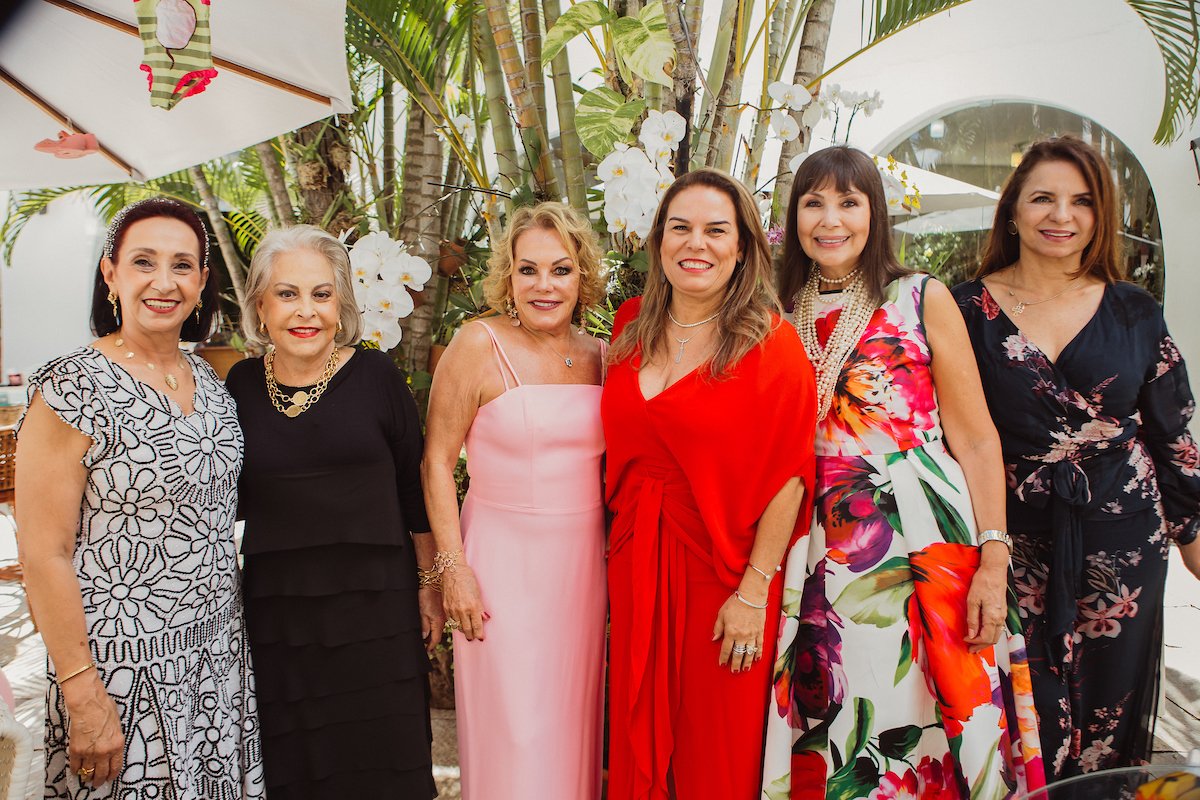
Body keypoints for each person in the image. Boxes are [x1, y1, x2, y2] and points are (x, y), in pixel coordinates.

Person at [762, 146, 1044, 798]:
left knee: (928, 718)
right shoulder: (776, 311)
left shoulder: (920, 296)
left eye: (848, 202)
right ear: (795, 215)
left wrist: (994, 560)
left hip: (922, 540)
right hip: (815, 552)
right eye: (814, 202)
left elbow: (975, 437)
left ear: (874, 212)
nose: (830, 219)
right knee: (845, 723)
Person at [953, 136, 1200, 780]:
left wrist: (1193, 539)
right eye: (1043, 198)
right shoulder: (962, 310)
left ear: (1099, 216)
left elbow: (1175, 437)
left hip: (1125, 543)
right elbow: (941, 432)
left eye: (1081, 202)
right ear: (1012, 210)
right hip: (1009, 543)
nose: (1061, 215)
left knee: (1108, 715)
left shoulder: (1134, 310)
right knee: (1021, 710)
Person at [15, 197, 264, 798]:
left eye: (182, 265)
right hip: (119, 667)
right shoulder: (72, 387)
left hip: (216, 657)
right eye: (144, 262)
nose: (163, 281)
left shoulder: (210, 379)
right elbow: (43, 553)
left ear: (203, 282)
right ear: (111, 274)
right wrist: (82, 692)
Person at [603, 168, 816, 800]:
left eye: (716, 230)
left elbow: (790, 479)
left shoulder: (771, 345)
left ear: (744, 247)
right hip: (635, 559)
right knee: (634, 734)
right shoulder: (630, 325)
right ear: (659, 242)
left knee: (713, 754)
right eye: (681, 228)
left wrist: (753, 594)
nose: (696, 244)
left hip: (723, 576)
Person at [225, 225, 441, 799]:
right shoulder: (239, 386)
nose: (306, 311)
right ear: (260, 306)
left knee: (385, 759)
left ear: (341, 304)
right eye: (288, 294)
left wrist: (429, 586)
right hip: (281, 620)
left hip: (378, 613)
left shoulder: (376, 376)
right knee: (296, 763)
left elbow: (413, 491)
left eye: (322, 295)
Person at [422, 203, 609, 799]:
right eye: (528, 270)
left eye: (561, 269)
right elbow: (435, 462)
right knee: (514, 733)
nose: (544, 285)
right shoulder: (477, 344)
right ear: (508, 276)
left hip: (583, 570)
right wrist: (454, 570)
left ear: (583, 276)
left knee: (571, 726)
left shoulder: (604, 356)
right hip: (498, 567)